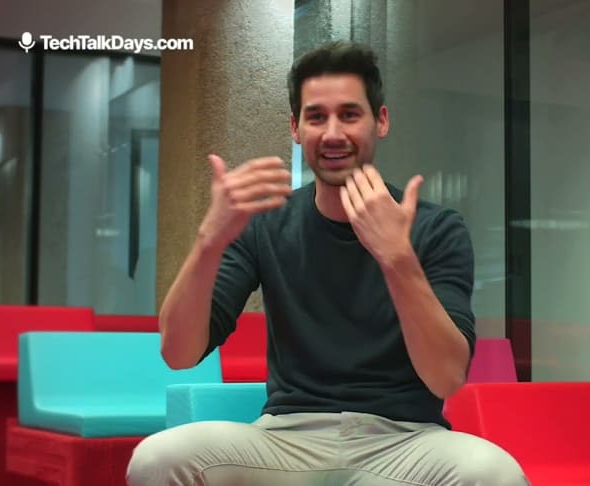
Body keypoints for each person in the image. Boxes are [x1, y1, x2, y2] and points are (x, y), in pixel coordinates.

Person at [126, 40, 528, 485]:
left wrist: (398, 260)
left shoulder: (436, 228)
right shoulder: (265, 225)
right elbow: (178, 353)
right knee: (157, 459)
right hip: (286, 439)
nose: (333, 133)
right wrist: (209, 240)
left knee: (495, 473)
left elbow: (447, 379)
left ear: (381, 121)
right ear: (296, 128)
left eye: (350, 115)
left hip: (406, 442)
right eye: (316, 117)